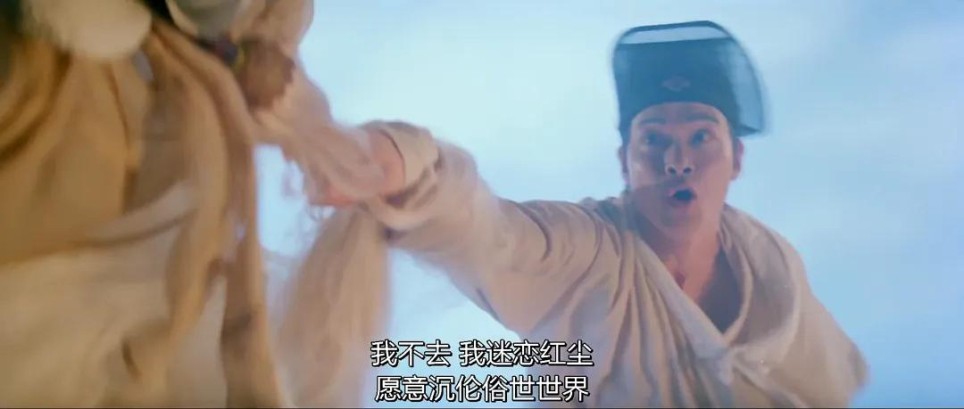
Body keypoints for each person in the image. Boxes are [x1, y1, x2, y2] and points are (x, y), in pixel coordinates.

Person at [318, 21, 869, 407]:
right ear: (625, 161)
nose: (677, 160)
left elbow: (826, 384)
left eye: (701, 136)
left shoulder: (772, 265)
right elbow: (490, 231)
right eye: (653, 139)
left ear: (737, 158)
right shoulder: (588, 249)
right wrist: (404, 164)